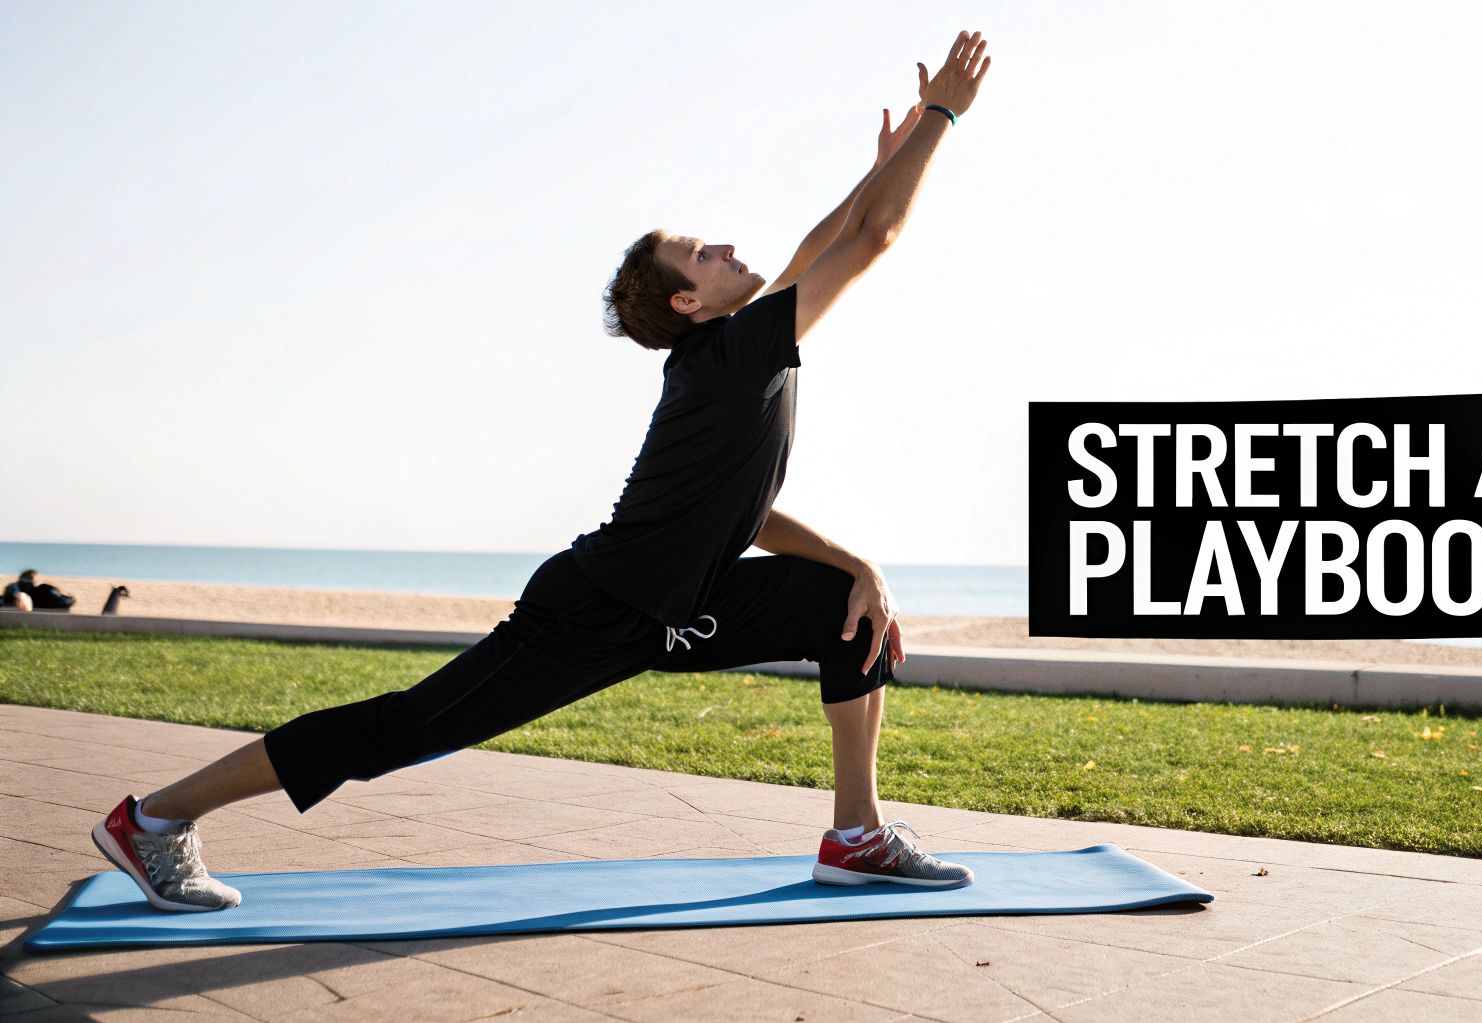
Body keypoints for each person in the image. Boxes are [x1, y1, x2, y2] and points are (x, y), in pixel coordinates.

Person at [88, 30, 993, 912]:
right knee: (405, 729)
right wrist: (942, 117)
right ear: (687, 301)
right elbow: (865, 241)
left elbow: (751, 493)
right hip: (591, 611)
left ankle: (855, 837)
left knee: (842, 609)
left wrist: (858, 565)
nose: (723, 247)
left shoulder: (735, 351)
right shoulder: (735, 352)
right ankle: (155, 819)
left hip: (676, 609)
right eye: (700, 254)